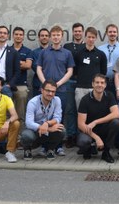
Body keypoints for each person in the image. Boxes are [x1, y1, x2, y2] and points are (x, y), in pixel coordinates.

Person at [36, 25, 75, 156]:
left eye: (58, 35)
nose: (56, 37)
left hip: (61, 89)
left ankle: (58, 146)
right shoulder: (44, 52)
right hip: (45, 90)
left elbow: (70, 71)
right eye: (54, 35)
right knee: (43, 117)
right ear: (51, 37)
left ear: (61, 36)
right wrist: (45, 84)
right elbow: (38, 69)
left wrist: (59, 83)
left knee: (59, 117)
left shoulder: (67, 53)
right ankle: (44, 146)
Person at [77, 73, 119, 163]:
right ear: (92, 84)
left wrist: (96, 122)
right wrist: (96, 138)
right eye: (97, 82)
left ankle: (106, 152)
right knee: (83, 142)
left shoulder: (109, 95)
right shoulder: (85, 100)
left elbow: (116, 114)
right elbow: (81, 124)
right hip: (89, 131)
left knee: (116, 123)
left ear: (105, 85)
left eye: (102, 83)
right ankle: (89, 148)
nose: (99, 85)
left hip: (104, 129)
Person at [21, 80, 65, 161]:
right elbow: (29, 123)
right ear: (42, 90)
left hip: (48, 129)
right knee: (26, 135)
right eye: (48, 91)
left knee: (61, 130)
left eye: (53, 91)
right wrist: (47, 128)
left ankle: (50, 150)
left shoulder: (57, 100)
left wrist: (47, 123)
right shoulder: (33, 102)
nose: (50, 94)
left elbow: (58, 118)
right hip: (34, 130)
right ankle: (27, 150)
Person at [63, 22, 86, 148]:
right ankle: (71, 135)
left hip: (82, 82)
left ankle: (81, 135)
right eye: (75, 31)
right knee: (70, 110)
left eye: (79, 31)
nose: (77, 33)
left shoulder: (87, 46)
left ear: (83, 32)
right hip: (70, 81)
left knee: (82, 110)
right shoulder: (67, 46)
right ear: (73, 32)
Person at [74, 27, 108, 109]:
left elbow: (103, 72)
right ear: (85, 37)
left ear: (96, 38)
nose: (91, 39)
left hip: (96, 89)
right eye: (89, 37)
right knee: (80, 112)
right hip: (81, 88)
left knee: (95, 112)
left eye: (93, 37)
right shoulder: (78, 53)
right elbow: (75, 71)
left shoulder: (101, 54)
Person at [12, 26, 32, 130]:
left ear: (23, 37)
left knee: (20, 114)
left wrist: (13, 62)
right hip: (8, 85)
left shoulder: (27, 51)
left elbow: (28, 65)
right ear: (13, 36)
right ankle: (6, 140)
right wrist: (20, 62)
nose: (18, 36)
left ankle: (19, 139)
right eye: (16, 34)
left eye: (20, 35)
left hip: (21, 86)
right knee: (6, 114)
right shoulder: (7, 49)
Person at [98, 23, 119, 94]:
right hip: (104, 81)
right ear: (106, 33)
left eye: (114, 32)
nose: (112, 34)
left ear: (117, 33)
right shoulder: (100, 49)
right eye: (110, 32)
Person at [31, 28, 50, 97]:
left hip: (52, 84)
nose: (44, 37)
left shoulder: (54, 51)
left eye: (46, 35)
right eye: (42, 36)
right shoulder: (34, 52)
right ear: (39, 38)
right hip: (38, 85)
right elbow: (36, 68)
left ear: (49, 37)